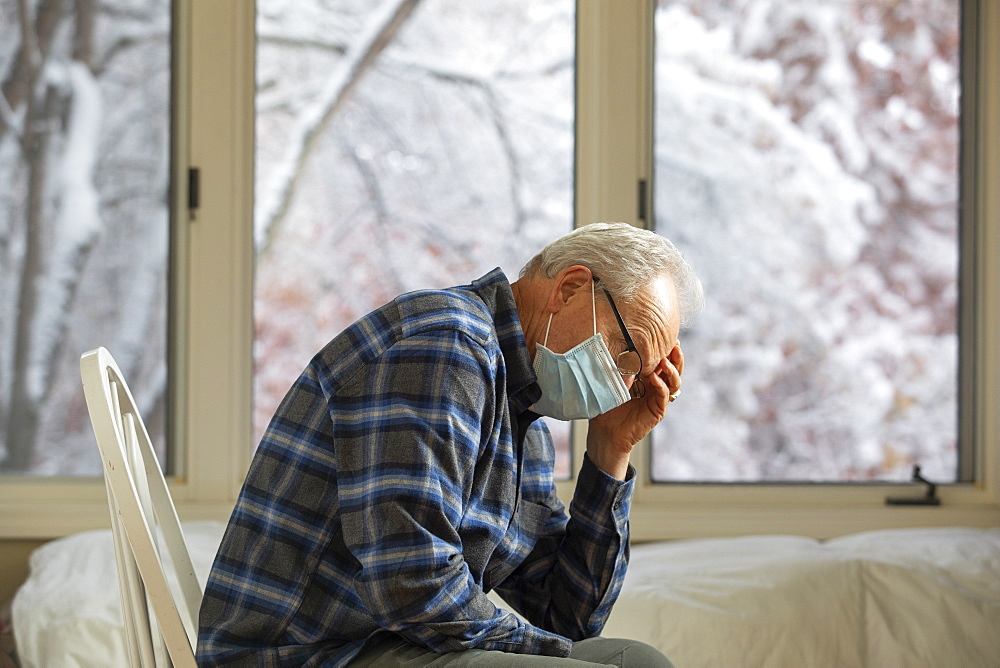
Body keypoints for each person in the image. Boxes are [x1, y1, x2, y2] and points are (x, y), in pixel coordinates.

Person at [197, 222, 704, 666]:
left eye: (635, 379)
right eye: (628, 355)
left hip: (389, 643)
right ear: (570, 288)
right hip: (310, 653)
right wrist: (552, 655)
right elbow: (411, 582)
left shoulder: (522, 414)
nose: (620, 386)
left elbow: (566, 615)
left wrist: (611, 450)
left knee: (637, 661)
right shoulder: (447, 342)